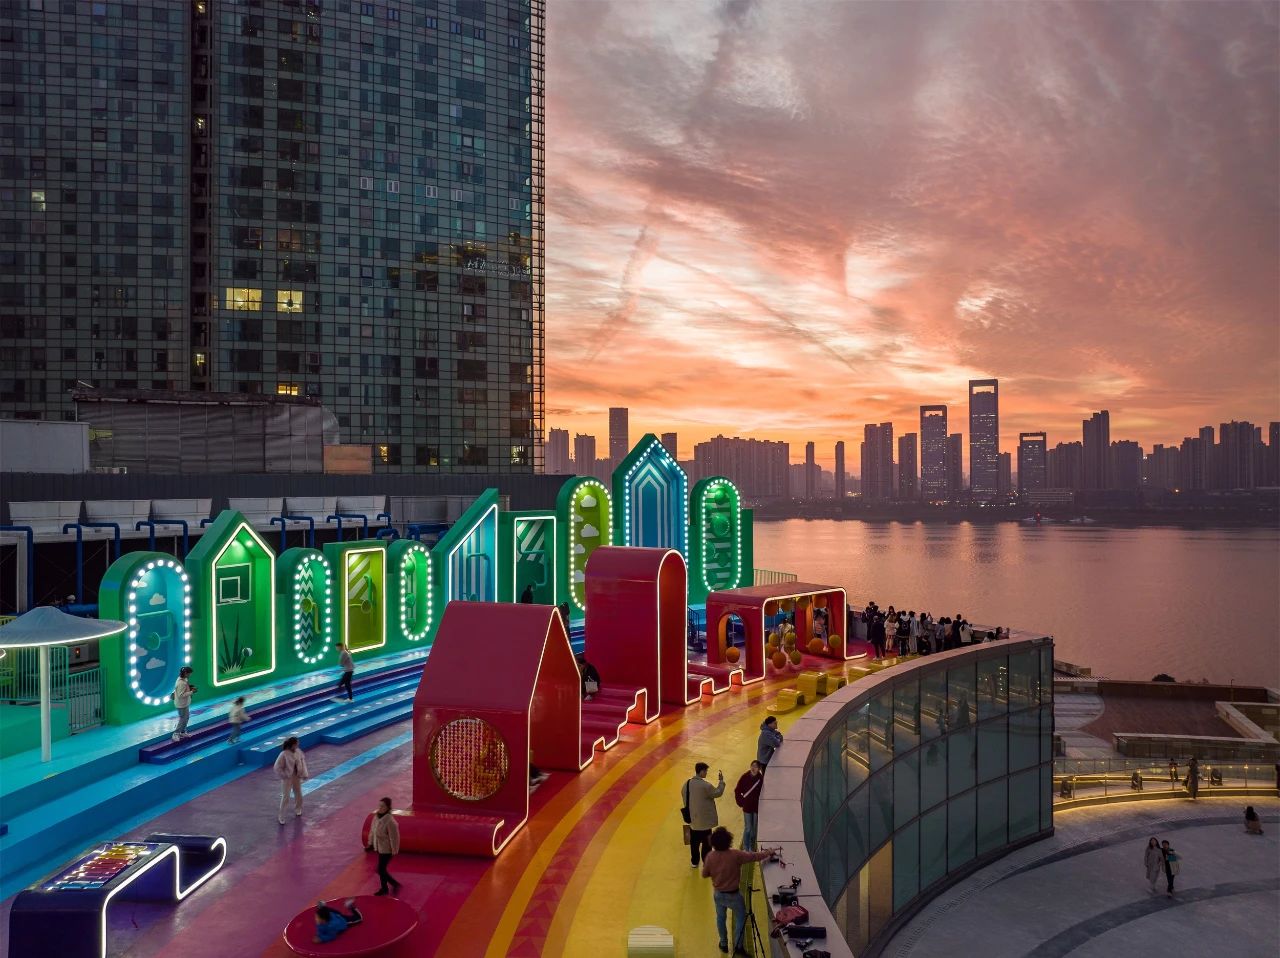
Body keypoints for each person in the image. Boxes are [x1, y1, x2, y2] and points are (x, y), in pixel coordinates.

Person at [700, 827, 777, 956]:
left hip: (718, 895)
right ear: (728, 840)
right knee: (741, 918)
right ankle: (738, 946)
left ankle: (723, 943)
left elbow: (704, 874)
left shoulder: (710, 857)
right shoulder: (735, 855)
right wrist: (768, 852)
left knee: (720, 918)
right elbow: (754, 856)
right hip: (734, 895)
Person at [683, 762, 725, 867]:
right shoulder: (705, 786)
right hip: (705, 822)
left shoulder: (687, 784)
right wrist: (721, 781)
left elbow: (683, 794)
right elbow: (718, 792)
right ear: (701, 771)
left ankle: (694, 862)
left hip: (693, 820)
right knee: (707, 844)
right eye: (706, 771)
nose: (706, 773)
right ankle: (706, 862)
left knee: (694, 843)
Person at [365, 796, 402, 895]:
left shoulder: (390, 821)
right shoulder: (376, 817)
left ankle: (392, 885)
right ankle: (385, 888)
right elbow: (372, 831)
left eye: (383, 806)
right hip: (379, 847)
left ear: (388, 808)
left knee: (380, 869)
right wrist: (370, 843)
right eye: (379, 806)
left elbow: (394, 837)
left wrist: (394, 850)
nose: (380, 808)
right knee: (381, 869)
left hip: (387, 849)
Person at [274, 736, 309, 825]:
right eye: (297, 743)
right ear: (292, 745)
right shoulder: (284, 754)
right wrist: (284, 775)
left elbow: (303, 763)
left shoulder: (298, 752)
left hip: (297, 776)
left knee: (298, 793)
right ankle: (281, 816)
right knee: (286, 796)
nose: (298, 745)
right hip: (287, 778)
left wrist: (304, 773)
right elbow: (277, 767)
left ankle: (298, 809)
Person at [733, 761, 765, 850]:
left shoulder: (761, 779)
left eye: (756, 767)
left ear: (759, 769)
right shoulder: (745, 777)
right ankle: (746, 847)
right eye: (752, 766)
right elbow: (737, 790)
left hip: (756, 807)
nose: (753, 768)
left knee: (754, 829)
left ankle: (751, 846)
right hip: (747, 807)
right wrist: (740, 802)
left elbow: (763, 793)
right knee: (748, 828)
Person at [171, 666, 196, 742]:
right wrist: (191, 692)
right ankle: (175, 734)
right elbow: (181, 695)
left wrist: (189, 687)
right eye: (189, 673)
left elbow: (183, 689)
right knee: (182, 719)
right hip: (181, 705)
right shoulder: (181, 683)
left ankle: (182, 732)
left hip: (185, 703)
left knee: (186, 717)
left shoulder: (183, 679)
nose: (190, 675)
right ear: (185, 673)